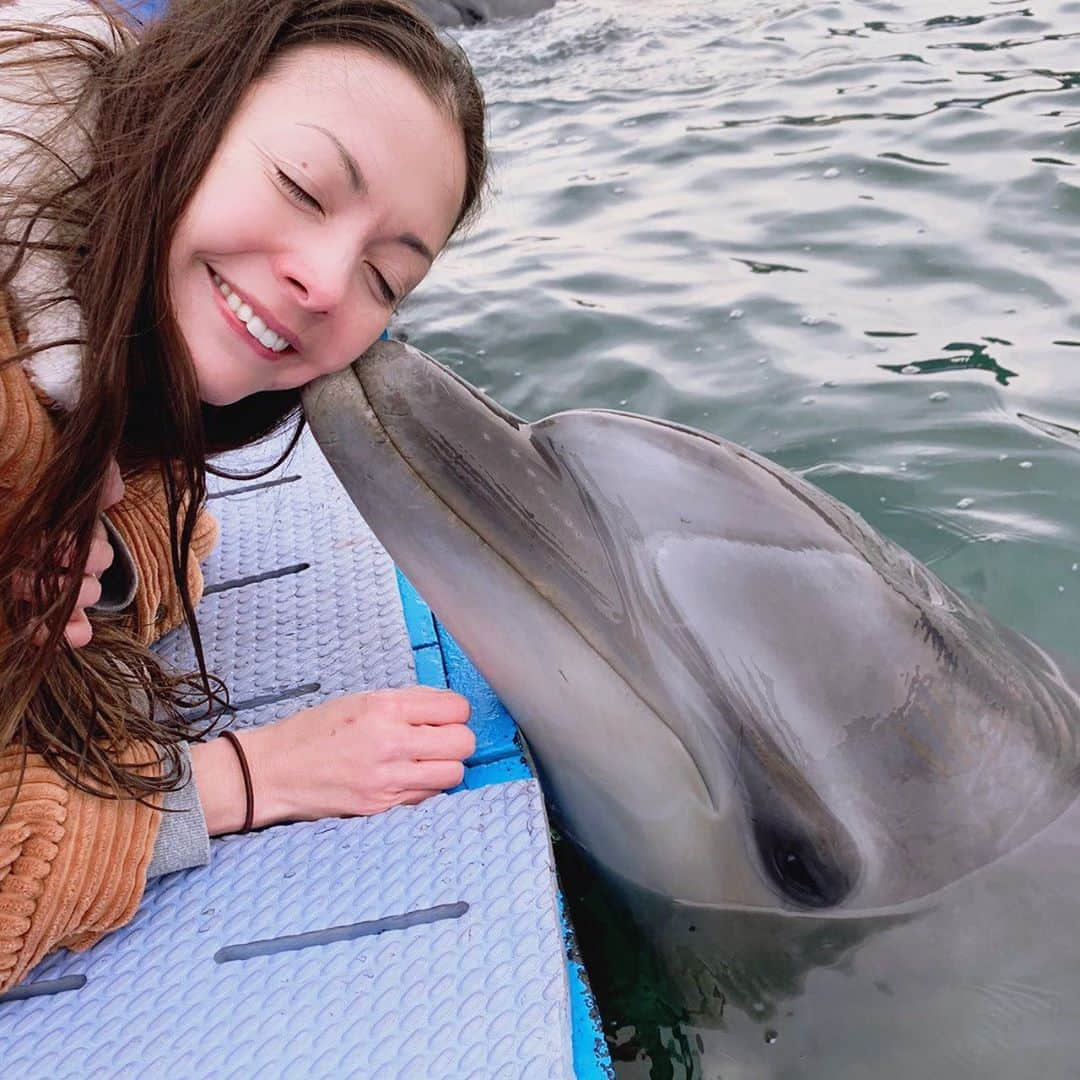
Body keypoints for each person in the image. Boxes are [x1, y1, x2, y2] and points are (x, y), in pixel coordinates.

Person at [0, 0, 485, 993]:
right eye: (302, 186)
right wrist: (242, 781)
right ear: (185, 109)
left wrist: (94, 560)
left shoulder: (115, 370)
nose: (320, 281)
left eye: (385, 280)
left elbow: (179, 519)